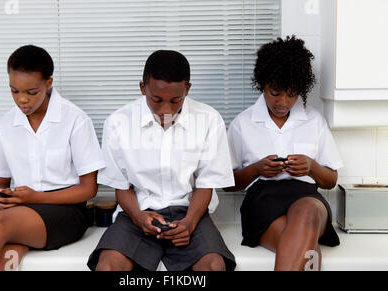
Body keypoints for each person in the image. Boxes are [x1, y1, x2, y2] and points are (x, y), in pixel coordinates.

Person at [0, 45, 105, 271]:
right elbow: (0, 184)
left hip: (67, 213)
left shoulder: (74, 119)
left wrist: (34, 197)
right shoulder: (6, 124)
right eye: (14, 91)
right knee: (2, 261)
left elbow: (89, 189)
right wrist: (1, 199)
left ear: (48, 83)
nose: (22, 100)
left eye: (31, 92)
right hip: (23, 213)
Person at [87, 50, 237, 271]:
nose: (165, 110)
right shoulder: (118, 122)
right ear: (142, 88)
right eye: (156, 99)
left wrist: (189, 223)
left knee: (214, 266)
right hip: (137, 213)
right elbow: (121, 187)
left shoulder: (209, 120)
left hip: (190, 213)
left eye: (175, 100)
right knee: (108, 266)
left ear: (187, 89)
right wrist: (138, 217)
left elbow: (206, 185)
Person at [226, 36, 343, 271]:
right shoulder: (243, 123)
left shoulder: (314, 121)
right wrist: (257, 169)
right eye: (275, 92)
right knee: (309, 255)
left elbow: (331, 181)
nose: (283, 102)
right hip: (262, 203)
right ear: (262, 84)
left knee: (306, 210)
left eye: (292, 94)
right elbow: (227, 184)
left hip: (308, 199)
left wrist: (311, 166)